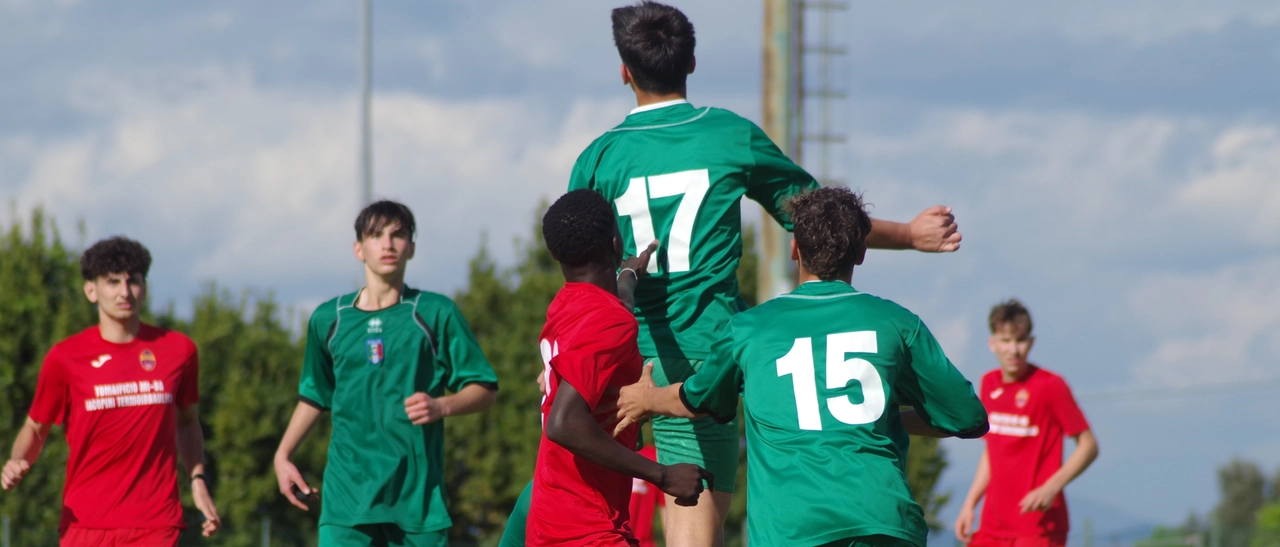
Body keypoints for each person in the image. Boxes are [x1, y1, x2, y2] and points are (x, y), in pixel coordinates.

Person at [572, 3, 964, 544]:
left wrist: (566, 357)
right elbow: (819, 217)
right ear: (691, 64)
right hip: (707, 360)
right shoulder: (728, 136)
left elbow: (579, 267)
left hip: (620, 360)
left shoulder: (600, 157)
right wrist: (909, 235)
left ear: (624, 71)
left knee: (590, 518)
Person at [614, 187, 988, 547]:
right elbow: (968, 419)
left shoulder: (750, 329)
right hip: (885, 522)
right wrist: (875, 420)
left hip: (792, 529)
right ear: (860, 253)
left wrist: (647, 399)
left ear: (794, 248)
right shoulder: (897, 323)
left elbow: (697, 400)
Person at [273, 200, 499, 547]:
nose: (388, 244)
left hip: (416, 503)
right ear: (358, 248)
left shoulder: (436, 312)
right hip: (347, 503)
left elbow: (485, 389)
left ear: (411, 247)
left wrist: (442, 406)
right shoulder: (327, 319)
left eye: (398, 235)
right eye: (376, 235)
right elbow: (315, 394)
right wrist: (283, 455)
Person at [1, 236, 221, 546]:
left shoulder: (178, 350)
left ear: (144, 287)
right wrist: (17, 460)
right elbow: (36, 427)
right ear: (91, 290)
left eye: (133, 281)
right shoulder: (65, 357)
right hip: (85, 523)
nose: (124, 292)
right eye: (112, 282)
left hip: (155, 522)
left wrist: (197, 479)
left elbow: (187, 421)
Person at [527, 189, 709, 546]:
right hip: (587, 528)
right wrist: (662, 475)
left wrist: (628, 276)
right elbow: (563, 423)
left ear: (555, 255)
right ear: (615, 241)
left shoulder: (565, 304)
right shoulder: (610, 322)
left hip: (552, 516)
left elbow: (612, 311)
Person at [954, 300, 1100, 547]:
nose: (1013, 350)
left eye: (1020, 341)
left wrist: (1051, 487)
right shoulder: (988, 384)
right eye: (1005, 340)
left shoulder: (1050, 386)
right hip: (992, 525)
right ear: (993, 343)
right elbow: (992, 451)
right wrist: (970, 504)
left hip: (1038, 526)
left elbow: (1089, 445)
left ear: (1031, 343)